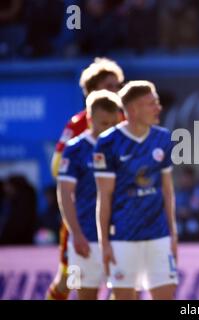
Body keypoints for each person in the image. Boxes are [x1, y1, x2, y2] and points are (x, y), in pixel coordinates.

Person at [47, 57, 124, 300]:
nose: (116, 91)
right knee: (67, 281)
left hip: (118, 225)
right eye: (109, 86)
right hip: (83, 222)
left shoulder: (123, 122)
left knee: (122, 288)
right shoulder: (79, 124)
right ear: (92, 90)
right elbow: (57, 169)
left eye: (118, 86)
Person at [94, 81, 178, 300]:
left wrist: (173, 235)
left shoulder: (163, 138)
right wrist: (104, 243)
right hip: (123, 238)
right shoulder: (108, 143)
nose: (158, 108)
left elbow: (167, 191)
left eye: (157, 102)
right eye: (152, 104)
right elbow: (104, 196)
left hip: (158, 236)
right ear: (133, 109)